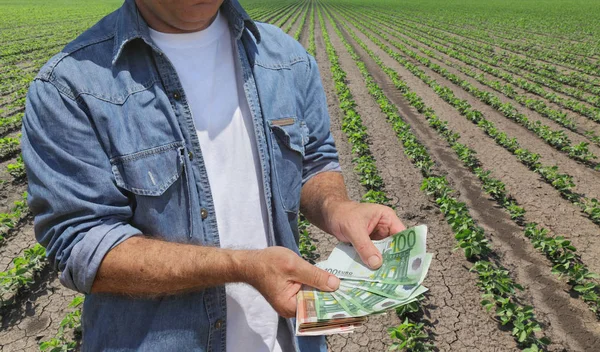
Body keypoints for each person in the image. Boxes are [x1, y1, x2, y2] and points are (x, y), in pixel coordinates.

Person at [21, 0, 406, 351]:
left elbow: (314, 163)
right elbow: (83, 246)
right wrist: (243, 267)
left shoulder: (286, 58)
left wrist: (338, 208)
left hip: (288, 341)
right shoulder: (69, 87)